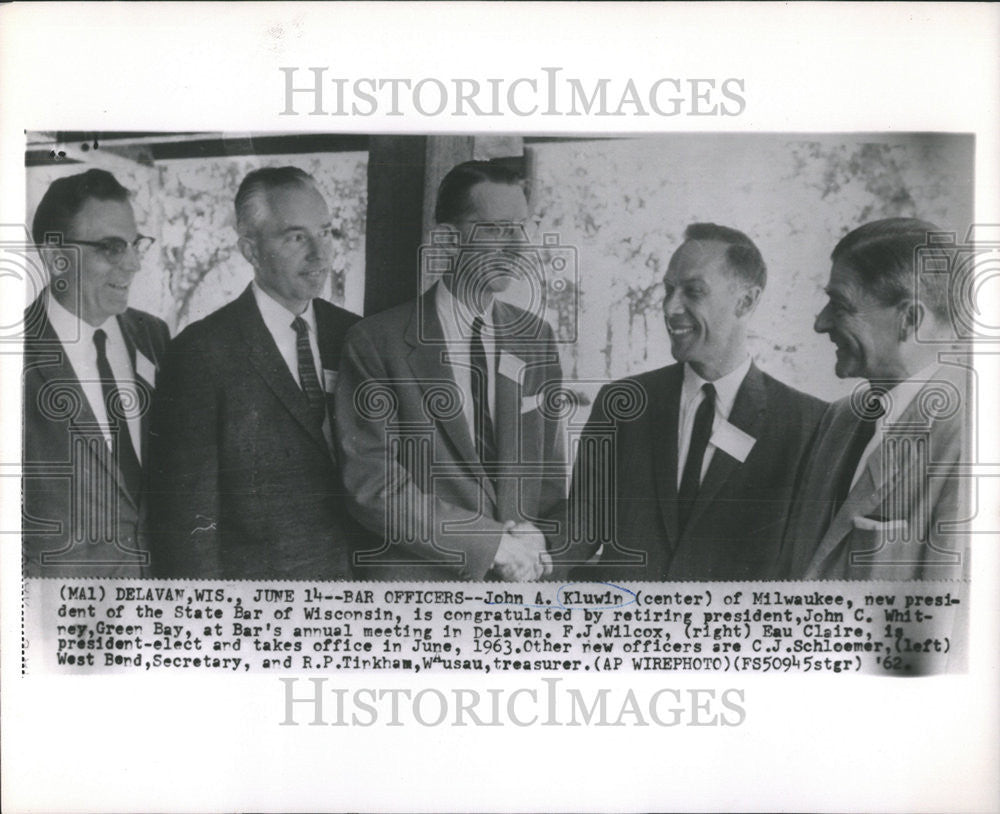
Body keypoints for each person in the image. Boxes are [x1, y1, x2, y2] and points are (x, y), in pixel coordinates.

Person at [335, 160, 566, 581]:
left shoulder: (536, 338)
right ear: (447, 240)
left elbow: (549, 478)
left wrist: (535, 543)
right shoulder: (375, 342)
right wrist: (490, 545)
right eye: (497, 230)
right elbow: (372, 486)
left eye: (521, 228)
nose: (518, 248)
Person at [562, 223, 826, 580]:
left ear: (745, 301)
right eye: (669, 289)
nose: (671, 307)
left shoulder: (808, 424)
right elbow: (581, 530)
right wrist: (519, 548)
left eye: (693, 292)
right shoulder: (621, 404)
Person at [147, 166, 363, 578]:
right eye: (296, 237)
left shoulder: (354, 335)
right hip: (257, 608)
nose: (321, 253)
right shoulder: (200, 353)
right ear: (250, 250)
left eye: (325, 231)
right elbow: (187, 521)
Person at [782, 218, 969, 579]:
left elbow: (951, 625)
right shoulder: (840, 419)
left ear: (909, 320)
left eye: (839, 305)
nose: (820, 324)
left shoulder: (974, 440)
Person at [23, 169, 170, 577]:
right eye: (111, 248)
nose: (134, 264)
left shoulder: (154, 337)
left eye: (135, 245)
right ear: (56, 258)